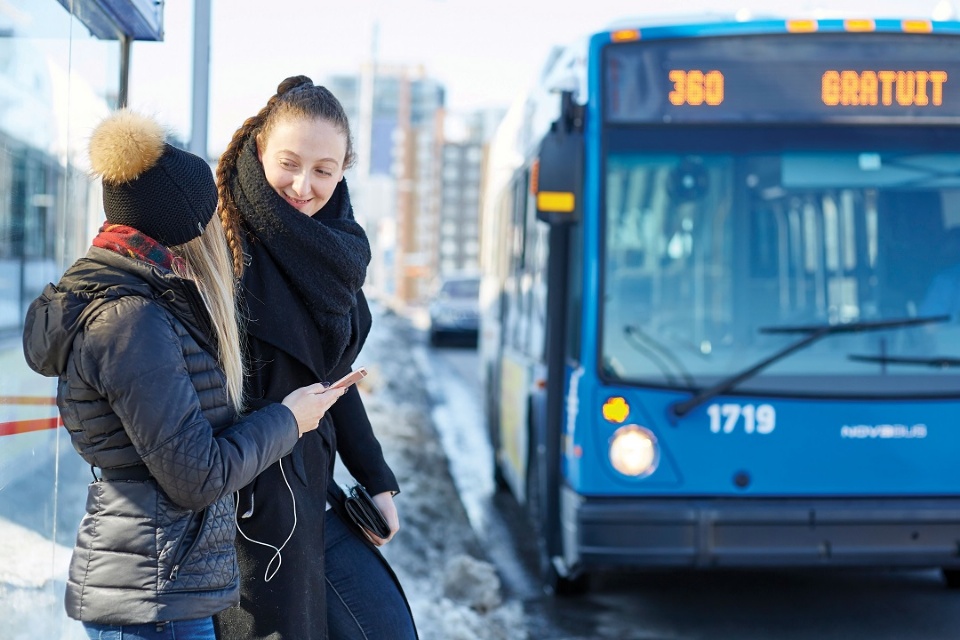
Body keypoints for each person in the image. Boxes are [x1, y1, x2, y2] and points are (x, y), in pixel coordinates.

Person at [21, 110, 346, 640]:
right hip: (154, 603)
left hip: (159, 590)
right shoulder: (130, 320)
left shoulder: (139, 303)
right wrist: (289, 420)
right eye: (209, 219)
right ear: (183, 229)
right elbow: (197, 476)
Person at [212, 75, 418, 639]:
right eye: (289, 163)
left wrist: (375, 478)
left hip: (314, 492)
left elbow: (328, 382)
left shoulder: (333, 251)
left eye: (324, 170)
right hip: (249, 512)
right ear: (258, 150)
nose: (304, 185)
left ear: (343, 169)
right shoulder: (219, 244)